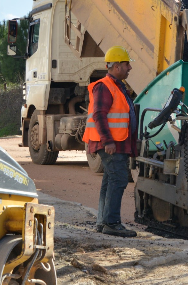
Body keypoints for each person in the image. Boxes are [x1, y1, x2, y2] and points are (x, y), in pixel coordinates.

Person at [83, 46, 138, 237]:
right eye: (126, 64)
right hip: (110, 144)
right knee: (119, 179)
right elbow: (99, 114)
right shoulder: (104, 86)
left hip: (118, 142)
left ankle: (103, 222)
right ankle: (112, 223)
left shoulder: (117, 86)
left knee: (109, 180)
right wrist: (108, 141)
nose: (129, 68)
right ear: (116, 67)